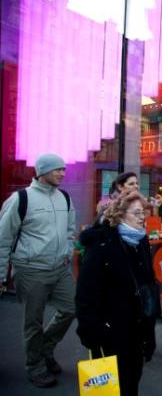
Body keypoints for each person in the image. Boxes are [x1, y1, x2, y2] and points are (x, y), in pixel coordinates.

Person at [0, 153, 76, 388]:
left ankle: (44, 348)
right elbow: (3, 239)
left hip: (60, 268)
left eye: (63, 169)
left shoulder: (64, 197)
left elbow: (70, 229)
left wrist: (68, 251)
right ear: (42, 172)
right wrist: (1, 274)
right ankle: (35, 366)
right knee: (33, 323)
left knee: (71, 308)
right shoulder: (20, 199)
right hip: (31, 269)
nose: (62, 173)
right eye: (57, 170)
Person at [75, 190, 160, 396]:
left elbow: (148, 285)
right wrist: (93, 333)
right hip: (111, 329)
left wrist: (150, 330)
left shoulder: (140, 241)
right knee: (112, 386)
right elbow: (86, 294)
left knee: (133, 379)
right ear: (120, 215)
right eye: (137, 213)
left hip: (138, 326)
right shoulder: (102, 245)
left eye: (144, 213)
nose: (143, 218)